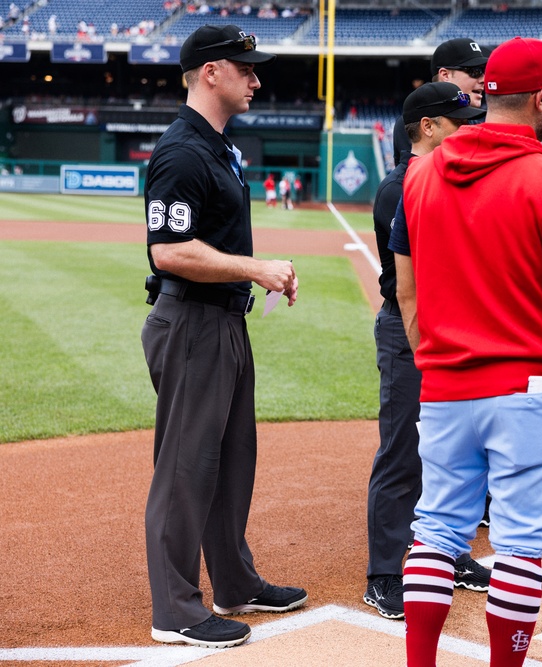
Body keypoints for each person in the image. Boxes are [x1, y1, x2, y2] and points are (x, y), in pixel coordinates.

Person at [389, 37, 542, 667]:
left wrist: (435, 361)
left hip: (445, 382)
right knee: (518, 546)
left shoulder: (419, 174)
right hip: (527, 387)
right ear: (541, 97)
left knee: (435, 530)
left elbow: (407, 293)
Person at [140, 24, 305, 649]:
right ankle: (176, 609)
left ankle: (234, 582)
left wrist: (250, 276)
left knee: (233, 461)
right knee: (186, 468)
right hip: (191, 322)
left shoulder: (218, 146)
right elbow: (169, 252)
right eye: (246, 68)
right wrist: (255, 268)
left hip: (222, 321)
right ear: (211, 72)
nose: (256, 79)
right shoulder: (183, 151)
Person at [364, 81, 489, 621]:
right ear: (429, 127)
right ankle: (385, 573)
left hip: (456, 329)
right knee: (403, 450)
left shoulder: (450, 178)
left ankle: (450, 549)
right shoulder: (401, 187)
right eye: (461, 122)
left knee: (454, 450)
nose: (474, 129)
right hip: (410, 328)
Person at [392, 37, 490, 164]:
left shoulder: (477, 118)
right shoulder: (414, 118)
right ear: (445, 75)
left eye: (484, 71)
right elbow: (414, 177)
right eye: (475, 71)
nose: (483, 79)